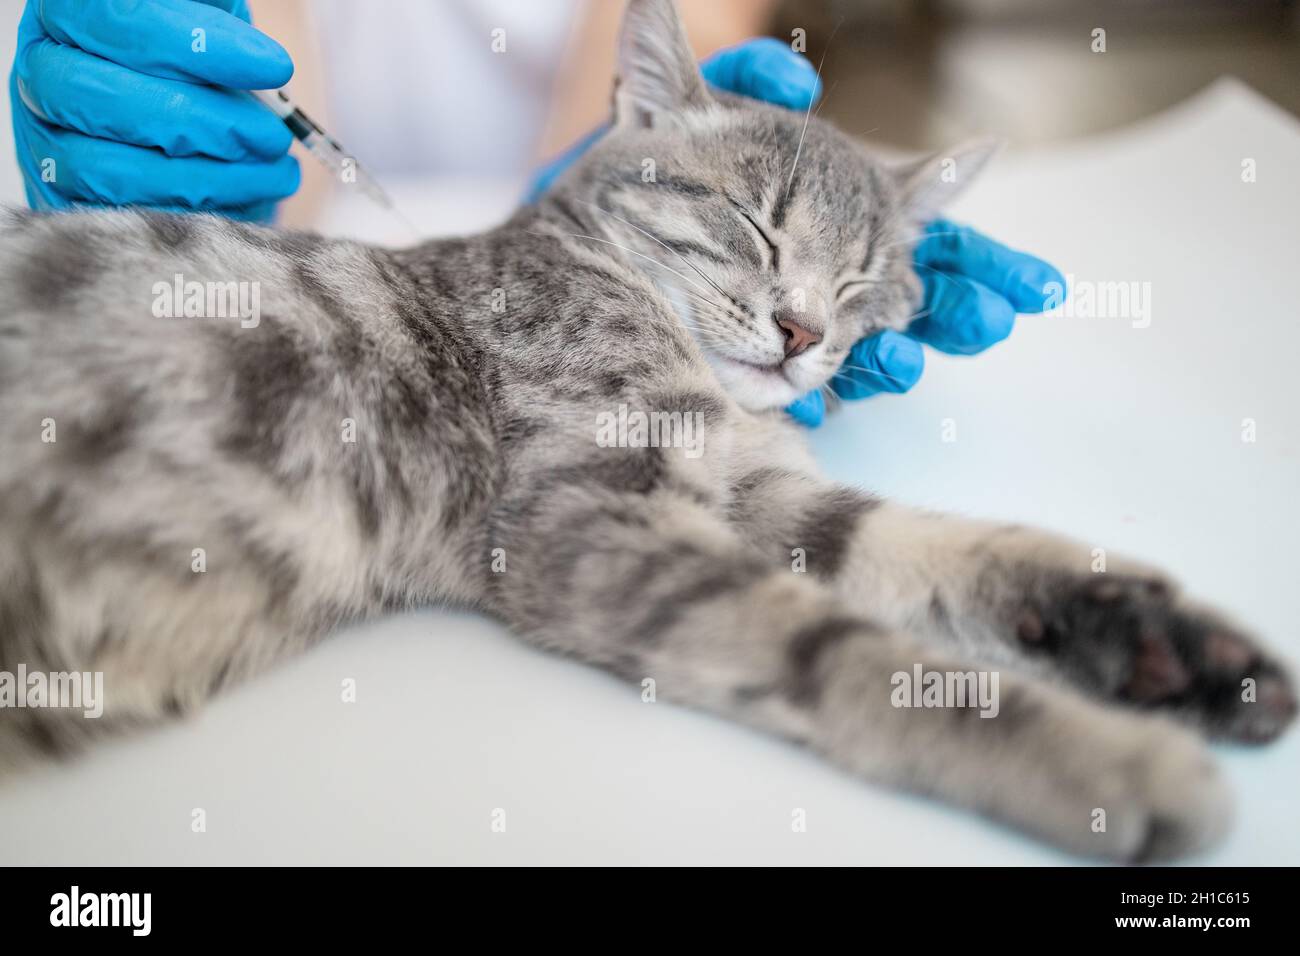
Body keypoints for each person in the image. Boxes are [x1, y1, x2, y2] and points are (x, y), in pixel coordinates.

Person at [7, 0, 1063, 426]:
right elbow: (279, 119)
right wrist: (193, 157)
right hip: (319, 261)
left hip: (533, 237)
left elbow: (662, 54)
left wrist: (834, 230)